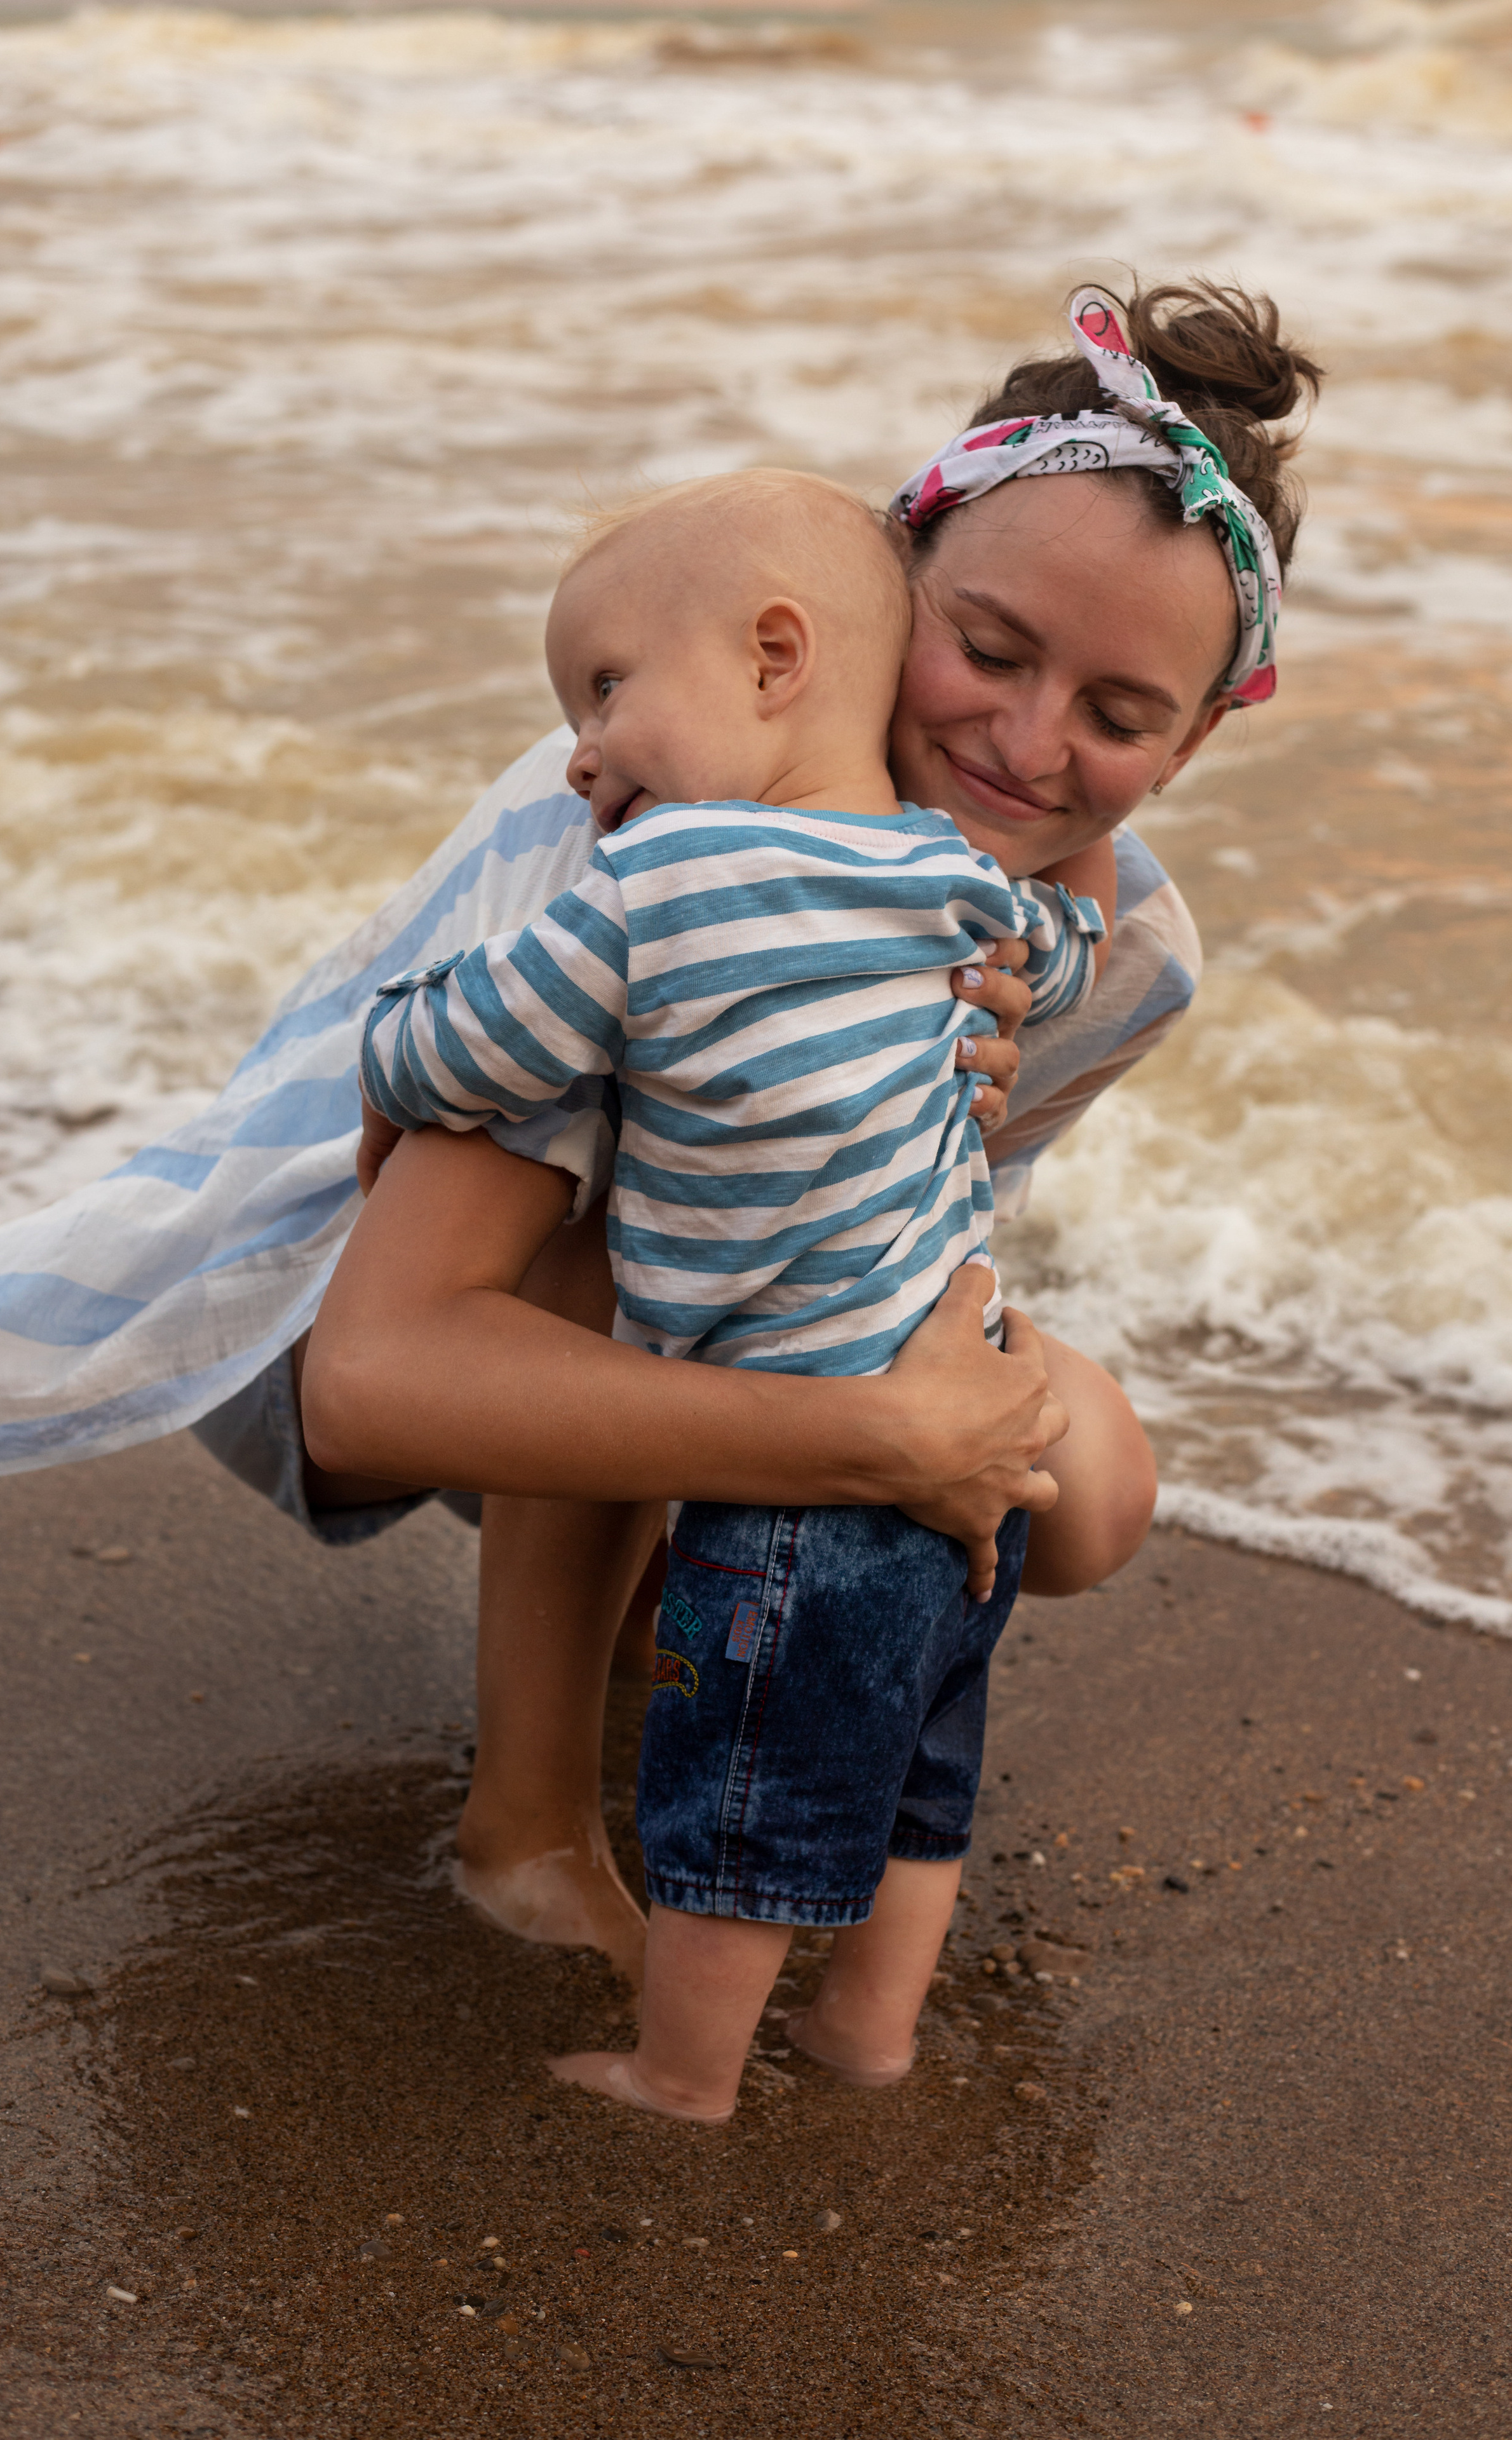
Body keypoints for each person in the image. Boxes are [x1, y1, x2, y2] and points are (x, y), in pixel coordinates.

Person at [0, 276, 1318, 1986]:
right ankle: (525, 1824)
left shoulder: (1113, 960)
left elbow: (899, 1243)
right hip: (349, 1325)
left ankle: (658, 1595)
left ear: (1192, 743)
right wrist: (879, 1447)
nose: (1027, 742)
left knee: (1090, 1485)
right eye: (987, 650)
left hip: (698, 1322)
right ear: (887, 578)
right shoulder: (667, 815)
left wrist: (932, 1370)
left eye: (1118, 718)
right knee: (645, 1231)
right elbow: (375, 1377)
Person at [335, 462, 1121, 2119]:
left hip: (788, 1474)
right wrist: (1034, 956)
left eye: (606, 690)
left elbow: (457, 1046)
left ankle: (684, 2073)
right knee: (920, 1792)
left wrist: (391, 1048)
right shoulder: (949, 871)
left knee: (739, 1801)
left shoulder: (658, 878)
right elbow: (1062, 943)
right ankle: (868, 2038)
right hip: (964, 1453)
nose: (580, 752)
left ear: (777, 657)